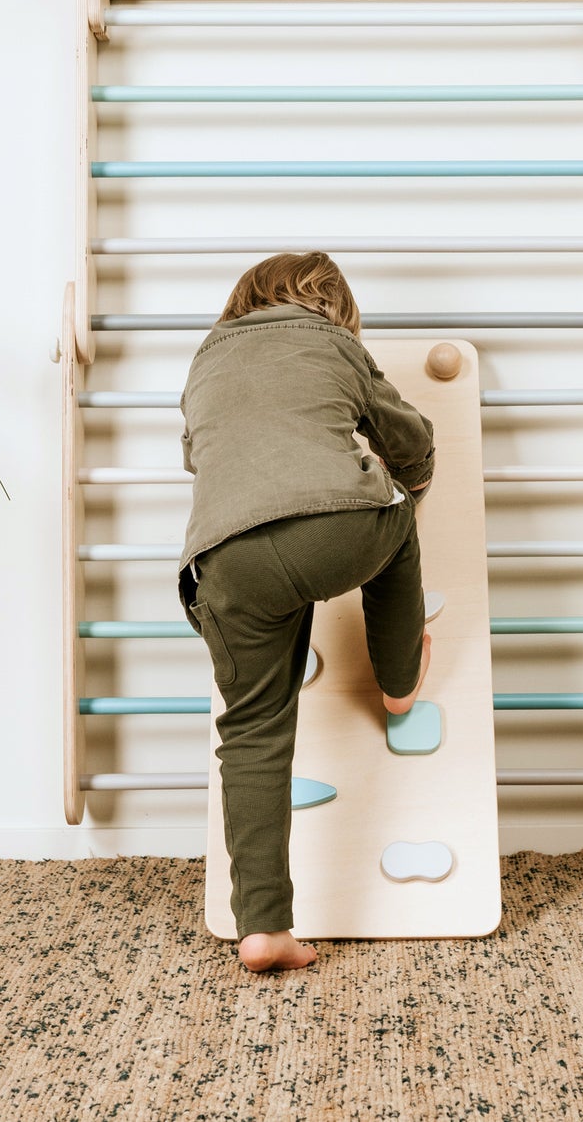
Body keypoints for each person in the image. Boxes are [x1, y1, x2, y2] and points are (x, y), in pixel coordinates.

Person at [178, 252, 436, 973]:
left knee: (251, 730)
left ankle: (261, 926)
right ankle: (396, 678)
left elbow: (199, 455)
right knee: (399, 514)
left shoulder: (203, 361)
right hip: (336, 529)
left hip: (224, 560)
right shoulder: (334, 343)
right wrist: (413, 478)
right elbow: (406, 436)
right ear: (334, 307)